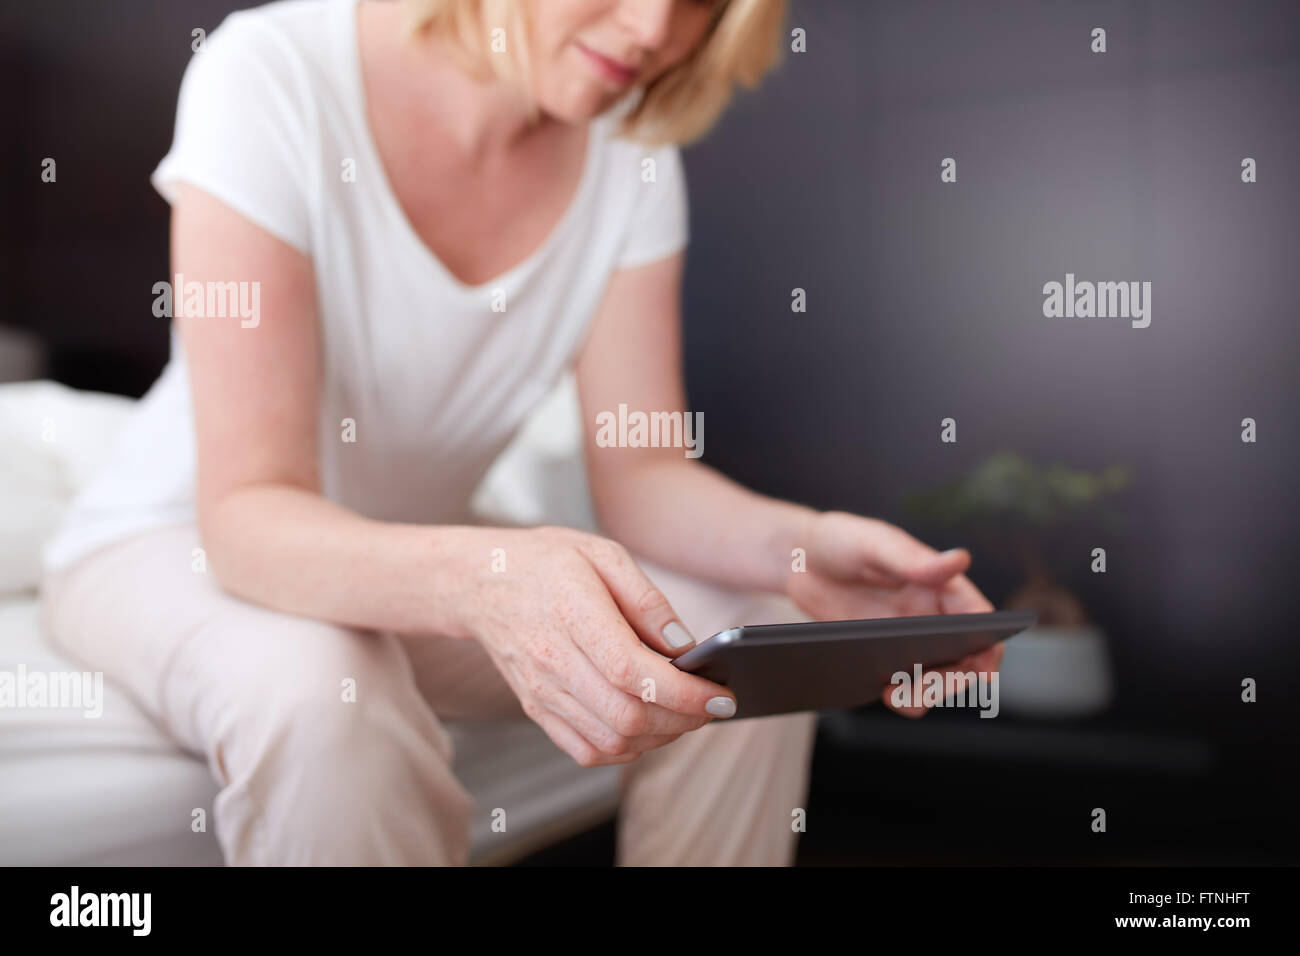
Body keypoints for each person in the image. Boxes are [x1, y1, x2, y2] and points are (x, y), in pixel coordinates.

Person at [40, 0, 1001, 866]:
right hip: (185, 543)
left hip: (419, 547)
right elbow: (247, 511)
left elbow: (644, 474)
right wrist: (490, 580)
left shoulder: (630, 146)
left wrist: (802, 552)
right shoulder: (272, 71)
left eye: (701, 2)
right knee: (327, 700)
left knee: (749, 640)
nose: (653, 32)